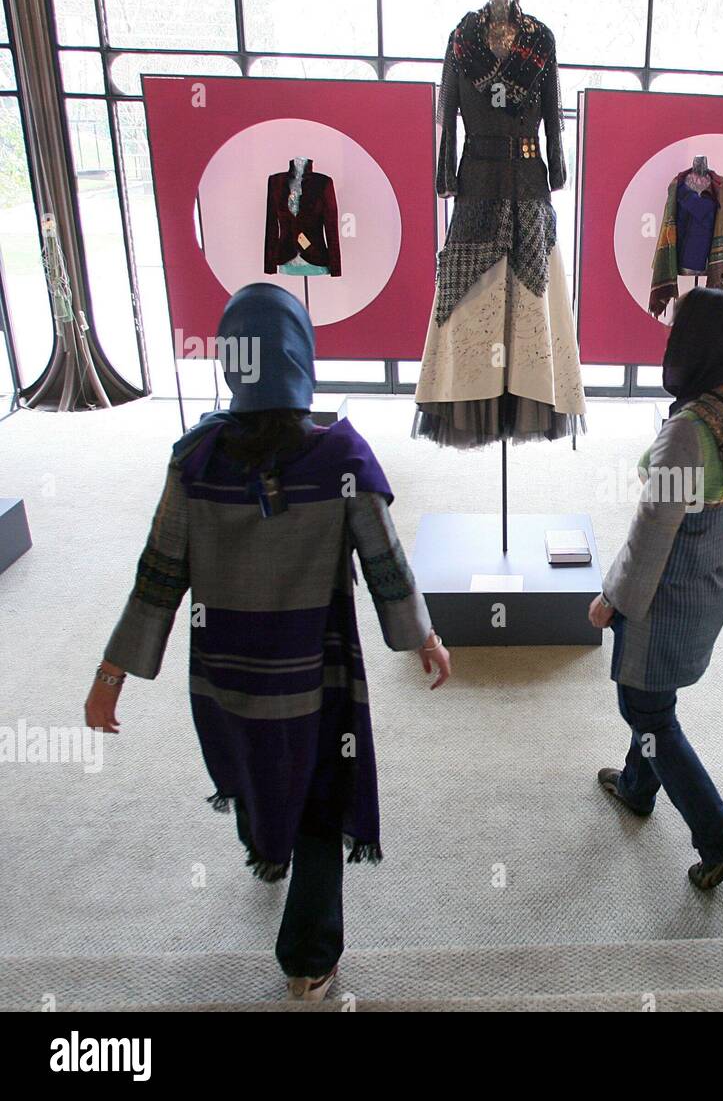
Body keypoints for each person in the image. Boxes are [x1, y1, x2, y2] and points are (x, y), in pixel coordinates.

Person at [84, 284, 450, 1001]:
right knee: (319, 799)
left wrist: (111, 670)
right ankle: (310, 958)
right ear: (301, 359)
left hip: (225, 675)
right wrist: (422, 635)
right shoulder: (341, 453)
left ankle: (264, 846)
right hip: (317, 678)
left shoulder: (192, 462)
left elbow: (158, 574)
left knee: (254, 771)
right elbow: (383, 560)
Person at [589, 287, 723, 890]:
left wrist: (612, 599)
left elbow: (650, 537)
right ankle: (639, 788)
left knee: (645, 711)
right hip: (715, 582)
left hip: (663, 600)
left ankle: (719, 838)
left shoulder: (687, 434)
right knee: (655, 699)